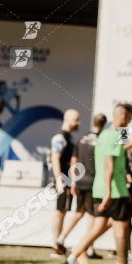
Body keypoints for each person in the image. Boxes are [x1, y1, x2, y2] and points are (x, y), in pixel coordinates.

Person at [59, 103, 132, 264]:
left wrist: (130, 142)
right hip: (114, 190)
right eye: (130, 118)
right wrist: (109, 192)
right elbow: (110, 164)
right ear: (123, 116)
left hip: (99, 188)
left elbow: (120, 152)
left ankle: (70, 260)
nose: (130, 122)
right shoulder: (114, 134)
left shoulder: (105, 135)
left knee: (97, 228)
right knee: (121, 229)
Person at [56, 113, 108, 264]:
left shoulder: (81, 139)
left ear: (92, 122)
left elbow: (74, 161)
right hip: (94, 183)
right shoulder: (102, 140)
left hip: (80, 182)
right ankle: (87, 249)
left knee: (79, 213)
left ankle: (60, 239)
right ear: (104, 125)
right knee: (92, 217)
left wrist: (73, 181)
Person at [50, 109, 81, 255]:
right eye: (76, 120)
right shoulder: (60, 137)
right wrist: (58, 180)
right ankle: (56, 243)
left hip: (67, 179)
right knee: (59, 211)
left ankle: (59, 244)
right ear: (68, 119)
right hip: (62, 179)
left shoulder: (69, 138)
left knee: (63, 211)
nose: (78, 123)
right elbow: (55, 158)